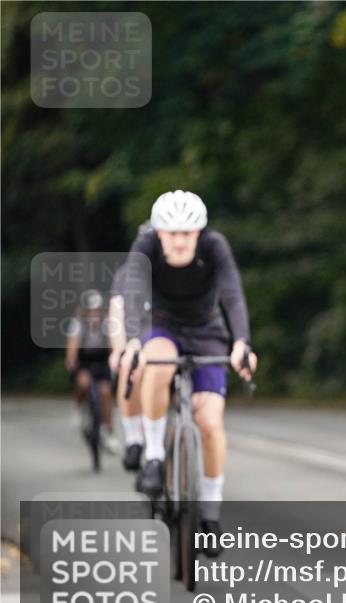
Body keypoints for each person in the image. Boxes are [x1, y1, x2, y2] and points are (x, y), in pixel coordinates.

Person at [119, 191, 257, 553]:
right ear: (159, 233)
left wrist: (241, 343)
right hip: (160, 324)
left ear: (199, 233)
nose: (180, 240)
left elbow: (232, 295)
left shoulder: (215, 246)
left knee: (210, 424)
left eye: (188, 233)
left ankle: (209, 515)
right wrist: (133, 341)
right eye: (172, 232)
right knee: (158, 363)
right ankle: (152, 456)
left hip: (206, 330)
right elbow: (133, 294)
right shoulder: (144, 246)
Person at [109, 221, 153, 472]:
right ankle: (134, 438)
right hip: (135, 336)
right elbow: (117, 310)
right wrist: (118, 349)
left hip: (166, 336)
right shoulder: (126, 274)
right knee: (128, 366)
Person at [66, 289, 119, 452]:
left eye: (97, 310)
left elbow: (112, 346)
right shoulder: (77, 324)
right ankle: (77, 408)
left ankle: (108, 432)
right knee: (83, 383)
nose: (94, 314)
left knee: (105, 392)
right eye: (91, 311)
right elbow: (73, 346)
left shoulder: (107, 323)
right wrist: (71, 360)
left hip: (101, 359)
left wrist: (115, 359)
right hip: (84, 360)